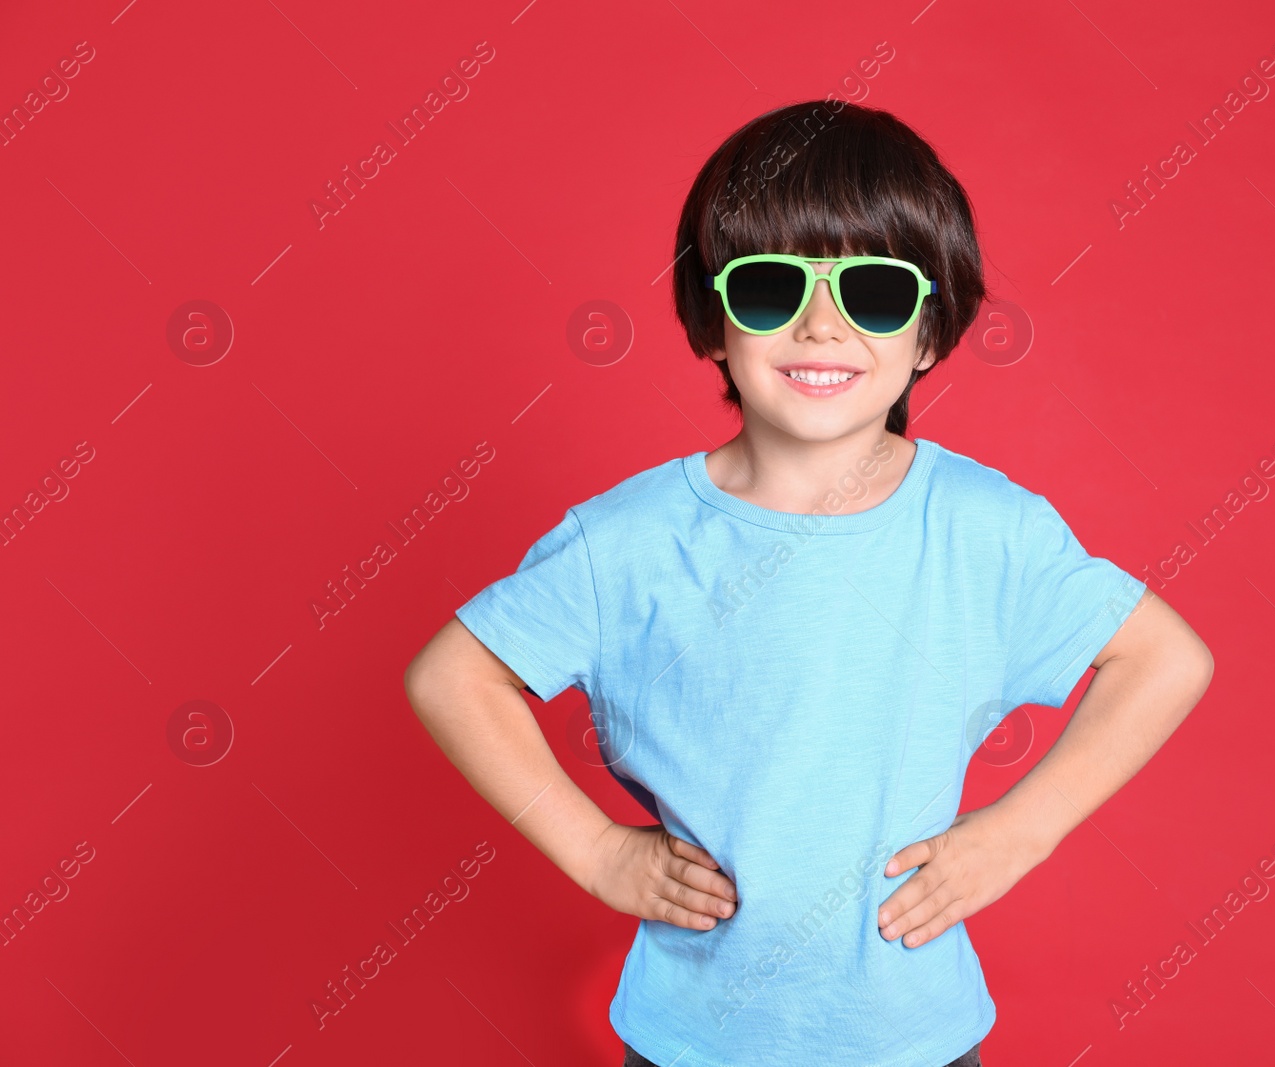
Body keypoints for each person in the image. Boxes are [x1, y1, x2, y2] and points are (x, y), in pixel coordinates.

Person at [404, 99, 1213, 1067]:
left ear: (925, 333)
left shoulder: (982, 526)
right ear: (713, 325)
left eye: (870, 292)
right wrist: (596, 850)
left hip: (916, 1034)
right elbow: (450, 676)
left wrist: (1017, 833)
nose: (820, 323)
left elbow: (1165, 658)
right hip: (690, 1038)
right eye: (769, 289)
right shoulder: (628, 539)